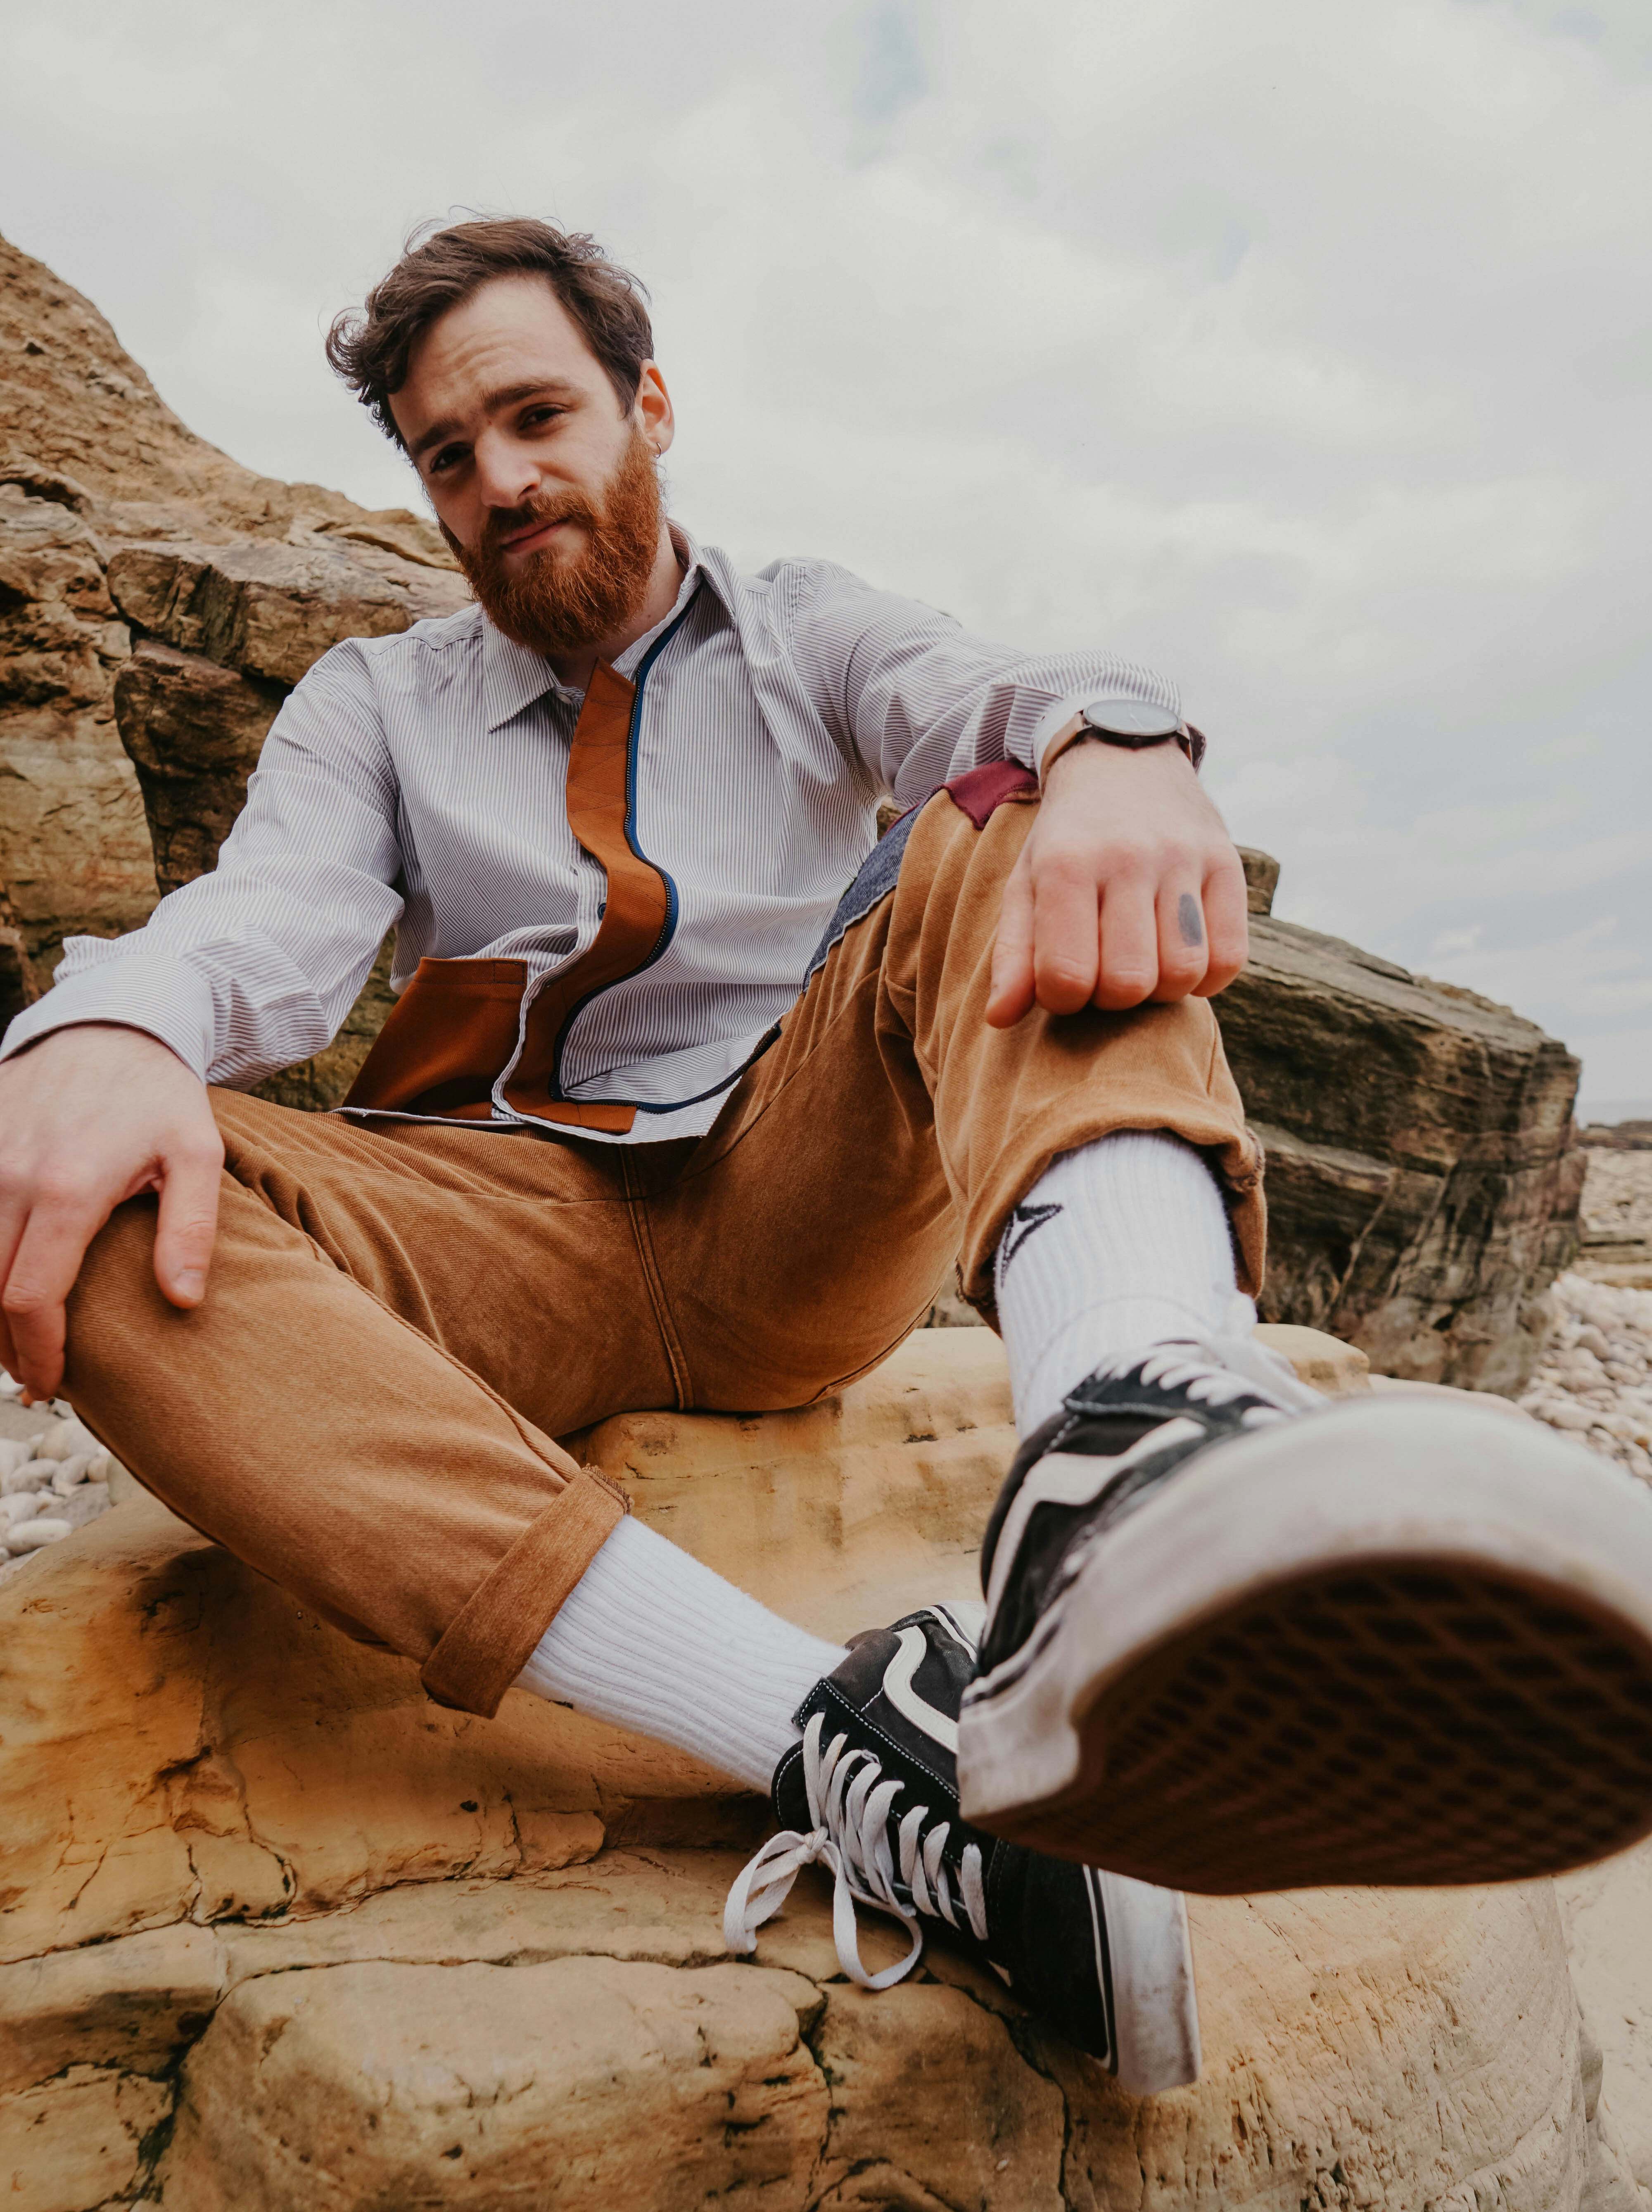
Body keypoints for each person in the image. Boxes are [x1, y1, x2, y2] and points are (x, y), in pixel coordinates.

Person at [3, 220, 1650, 2097]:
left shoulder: (802, 623)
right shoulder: (376, 706)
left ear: (649, 406)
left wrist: (1116, 743)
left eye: (538, 415)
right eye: (446, 455)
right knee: (104, 1186)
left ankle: (1134, 1459)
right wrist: (111, 1025)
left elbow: (991, 689)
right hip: (499, 1230)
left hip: (788, 1196)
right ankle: (854, 1741)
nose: (500, 481)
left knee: (1023, 801)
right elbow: (270, 920)